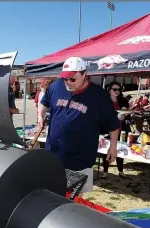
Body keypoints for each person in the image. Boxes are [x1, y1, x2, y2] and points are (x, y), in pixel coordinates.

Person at [38, 57, 120, 193]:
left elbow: (113, 124)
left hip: (80, 160)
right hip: (53, 157)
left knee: (75, 201)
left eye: (72, 79)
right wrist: (40, 116)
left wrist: (113, 146)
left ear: (84, 75)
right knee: (53, 195)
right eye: (65, 78)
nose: (68, 83)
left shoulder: (99, 96)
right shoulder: (57, 85)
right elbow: (44, 103)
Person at [102, 81, 130, 178]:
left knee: (120, 149)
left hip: (120, 130)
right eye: (115, 89)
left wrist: (125, 115)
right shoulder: (104, 101)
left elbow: (127, 113)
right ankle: (105, 171)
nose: (117, 91)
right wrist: (116, 116)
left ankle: (121, 170)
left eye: (119, 89)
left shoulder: (123, 101)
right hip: (107, 130)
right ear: (109, 90)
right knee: (107, 150)